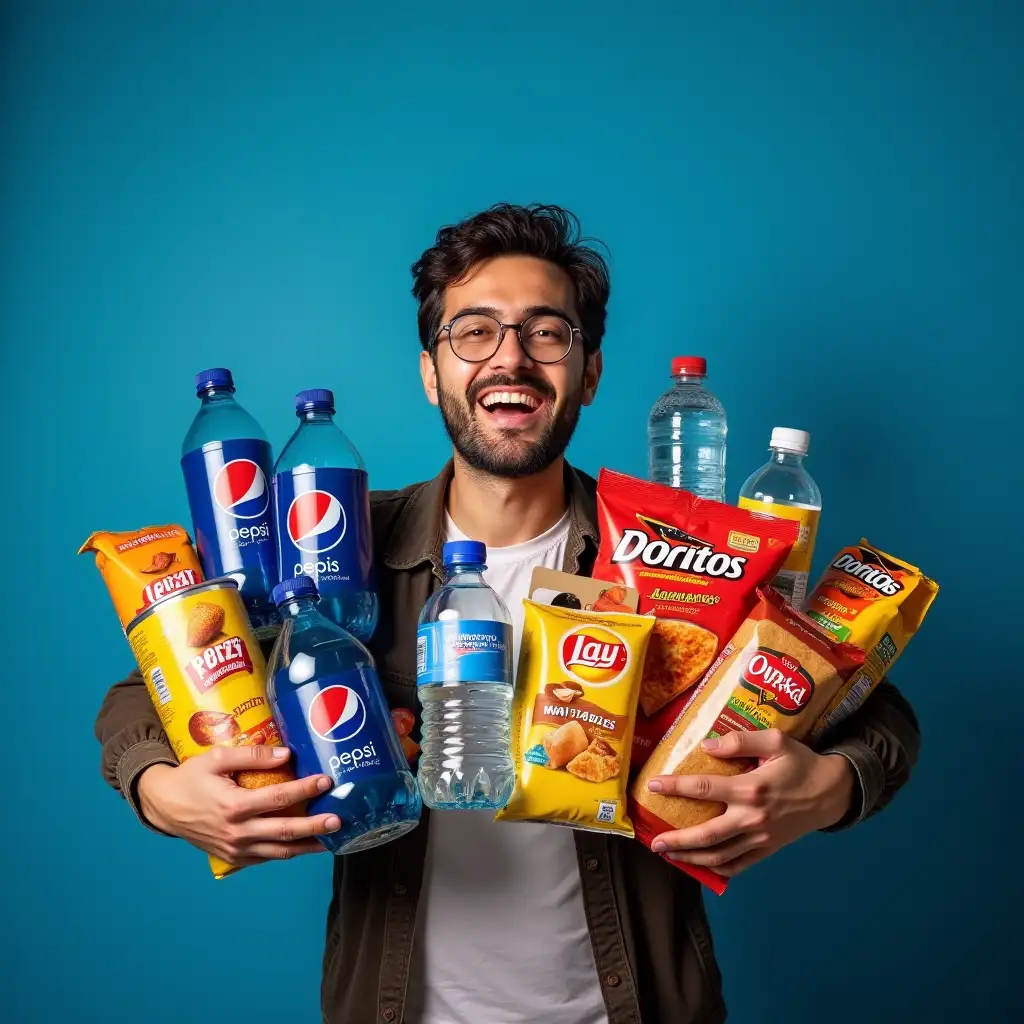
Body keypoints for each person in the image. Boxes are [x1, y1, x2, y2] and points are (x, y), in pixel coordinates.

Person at [95, 203, 920, 1024]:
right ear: (432, 372)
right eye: (474, 332)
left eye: (546, 333)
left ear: (589, 373)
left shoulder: (669, 557)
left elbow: (867, 705)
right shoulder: (337, 550)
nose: (510, 360)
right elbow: (149, 689)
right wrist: (164, 792)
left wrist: (830, 788)